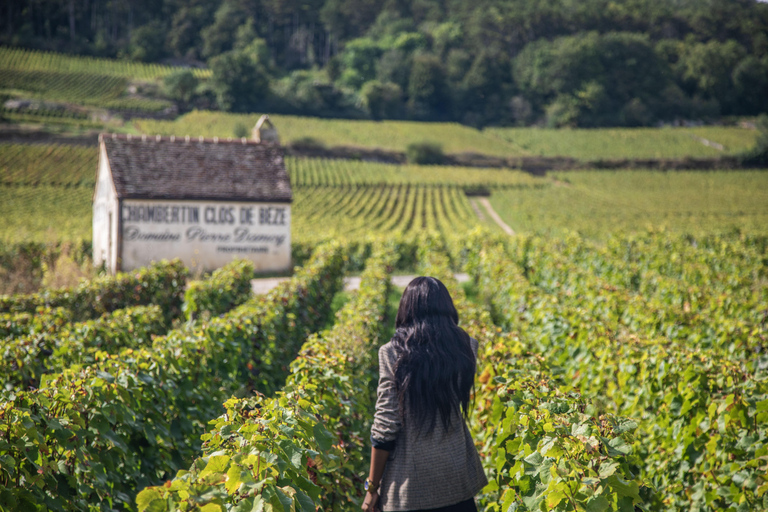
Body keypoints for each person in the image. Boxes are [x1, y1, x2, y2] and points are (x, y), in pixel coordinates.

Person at [362, 276, 487, 512]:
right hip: (456, 478)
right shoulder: (466, 346)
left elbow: (385, 427)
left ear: (406, 310)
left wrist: (372, 487)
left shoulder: (392, 354)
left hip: (410, 486)